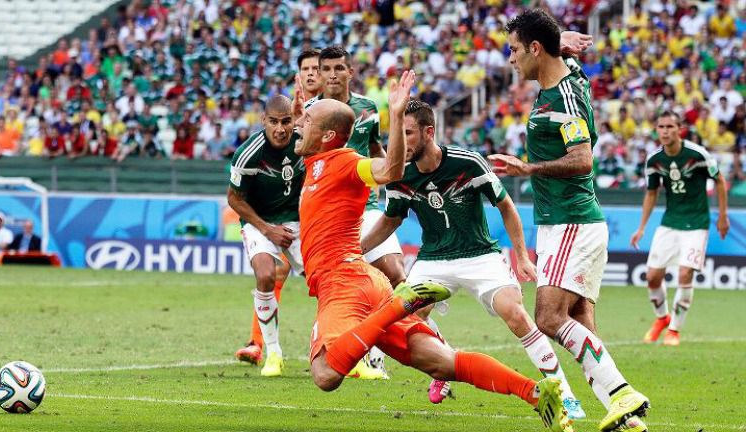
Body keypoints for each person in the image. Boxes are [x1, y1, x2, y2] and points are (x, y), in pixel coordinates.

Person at [295, 70, 572, 432]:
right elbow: (297, 130)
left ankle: (401, 302)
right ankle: (537, 393)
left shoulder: (346, 162)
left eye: (307, 120)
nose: (300, 124)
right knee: (442, 363)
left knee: (326, 373)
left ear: (328, 136)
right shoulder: (315, 163)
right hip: (363, 279)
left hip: (344, 281)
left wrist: (394, 116)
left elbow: (390, 169)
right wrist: (305, 105)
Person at [361, 99, 585, 419]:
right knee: (409, 316)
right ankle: (443, 369)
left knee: (516, 314)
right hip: (434, 259)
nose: (400, 141)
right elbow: (391, 220)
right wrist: (358, 249)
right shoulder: (400, 175)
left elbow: (506, 206)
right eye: (397, 132)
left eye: (408, 133)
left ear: (429, 132)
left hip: (480, 255)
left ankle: (564, 392)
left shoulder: (468, 163)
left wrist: (521, 256)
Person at [487, 10, 649, 432]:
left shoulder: (564, 97)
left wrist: (528, 169)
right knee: (580, 323)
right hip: (567, 221)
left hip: (570, 220)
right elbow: (569, 63)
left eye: (515, 50)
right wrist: (566, 45)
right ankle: (627, 419)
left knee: (548, 318)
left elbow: (582, 160)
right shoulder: (564, 80)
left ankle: (622, 393)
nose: (511, 59)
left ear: (536, 49)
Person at [304, 45, 406, 378]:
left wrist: (390, 170)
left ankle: (383, 346)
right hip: (330, 210)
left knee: (396, 274)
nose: (332, 74)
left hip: (368, 202)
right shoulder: (310, 112)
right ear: (318, 73)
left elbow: (375, 148)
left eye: (339, 68)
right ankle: (349, 342)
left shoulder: (367, 109)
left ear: (351, 72)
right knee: (343, 282)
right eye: (326, 68)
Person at [630, 112, 729, 346]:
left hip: (696, 224)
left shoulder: (697, 154)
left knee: (685, 273)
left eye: (669, 126)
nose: (664, 131)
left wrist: (722, 217)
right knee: (653, 277)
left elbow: (720, 181)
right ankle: (662, 318)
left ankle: (674, 330)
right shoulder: (654, 160)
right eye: (660, 127)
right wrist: (641, 227)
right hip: (670, 222)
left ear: (679, 129)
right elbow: (652, 193)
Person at [228, 95, 305, 377]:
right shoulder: (248, 153)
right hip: (260, 222)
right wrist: (266, 228)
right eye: (273, 122)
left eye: (286, 121)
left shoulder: (305, 143)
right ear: (264, 121)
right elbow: (234, 199)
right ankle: (273, 353)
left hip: (298, 221)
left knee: (325, 283)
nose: (280, 129)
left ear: (293, 120)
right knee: (265, 275)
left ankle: (332, 346)